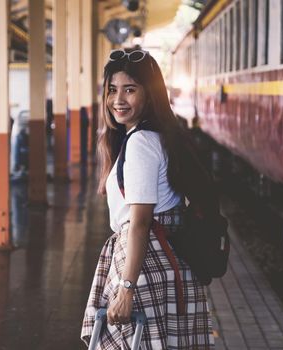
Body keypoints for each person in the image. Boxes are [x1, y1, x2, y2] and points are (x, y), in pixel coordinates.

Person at [81, 48, 217, 349]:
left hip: (144, 264)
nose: (118, 100)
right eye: (112, 90)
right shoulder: (153, 135)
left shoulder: (141, 142)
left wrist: (126, 289)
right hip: (159, 260)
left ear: (150, 94)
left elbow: (140, 222)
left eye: (130, 90)